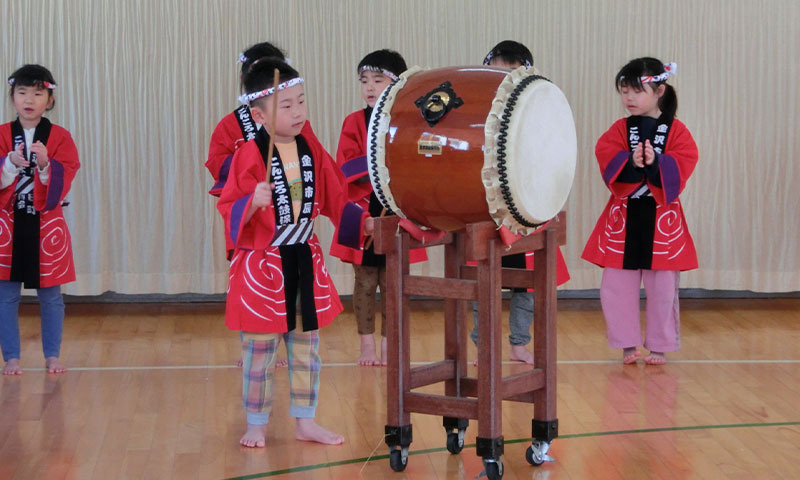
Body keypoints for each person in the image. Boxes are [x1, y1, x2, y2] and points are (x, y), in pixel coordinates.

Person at [218, 58, 370, 448]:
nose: (298, 112)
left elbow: (336, 192)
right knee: (260, 351)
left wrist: (363, 224)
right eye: (286, 106)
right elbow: (229, 206)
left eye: (301, 102)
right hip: (262, 265)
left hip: (303, 256)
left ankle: (306, 420)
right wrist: (251, 202)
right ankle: (256, 421)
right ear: (258, 114)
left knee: (305, 347)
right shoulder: (247, 155)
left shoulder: (311, 148)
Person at [582, 58, 698, 365]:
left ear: (659, 90)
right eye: (624, 91)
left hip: (662, 219)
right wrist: (631, 161)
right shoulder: (619, 129)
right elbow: (605, 152)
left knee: (662, 289)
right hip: (624, 218)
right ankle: (627, 343)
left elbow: (685, 160)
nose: (629, 98)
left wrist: (658, 162)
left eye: (637, 90)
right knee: (616, 286)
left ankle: (660, 345)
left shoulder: (677, 130)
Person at [469, 41, 570, 365]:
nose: (504, 82)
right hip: (486, 210)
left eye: (512, 74)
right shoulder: (473, 114)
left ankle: (518, 344)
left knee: (525, 287)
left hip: (524, 210)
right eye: (497, 74)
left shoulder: (537, 115)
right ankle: (482, 346)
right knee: (482, 285)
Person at [206, 42, 301, 368]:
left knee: (290, 280)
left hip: (287, 215)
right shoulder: (230, 125)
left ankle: (287, 344)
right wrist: (247, 163)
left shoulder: (294, 122)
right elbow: (216, 164)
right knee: (251, 285)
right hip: (249, 213)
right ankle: (255, 345)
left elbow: (312, 159)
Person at [330, 49, 426, 366]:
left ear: (396, 83)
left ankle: (389, 344)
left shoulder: (409, 122)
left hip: (397, 213)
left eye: (377, 80)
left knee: (394, 283)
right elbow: (345, 168)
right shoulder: (353, 122)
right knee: (365, 282)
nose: (370, 87)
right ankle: (366, 345)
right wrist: (381, 162)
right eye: (364, 81)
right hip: (364, 214)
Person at [0, 64, 80, 375]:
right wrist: (8, 163)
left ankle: (52, 355)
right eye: (22, 93)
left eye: (37, 93)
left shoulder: (60, 137)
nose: (29, 100)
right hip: (8, 223)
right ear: (12, 97)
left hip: (46, 224)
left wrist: (47, 165)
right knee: (6, 294)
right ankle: (12, 357)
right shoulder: (3, 135)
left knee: (51, 294)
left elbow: (68, 172)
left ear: (49, 99)